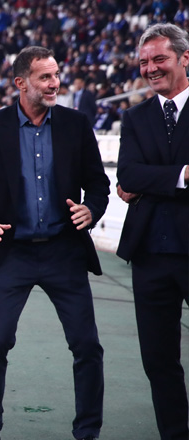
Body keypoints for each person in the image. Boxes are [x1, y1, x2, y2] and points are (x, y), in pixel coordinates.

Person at [0, 46, 110, 440]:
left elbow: (98, 183)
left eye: (56, 75)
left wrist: (91, 209)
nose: (54, 83)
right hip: (12, 252)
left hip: (65, 252)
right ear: (21, 83)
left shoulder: (76, 124)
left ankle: (88, 431)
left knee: (87, 345)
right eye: (45, 77)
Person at [116, 23, 189, 440]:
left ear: (184, 58)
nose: (151, 68)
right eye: (144, 62)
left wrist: (151, 179)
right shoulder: (135, 117)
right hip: (149, 255)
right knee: (158, 360)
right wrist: (182, 175)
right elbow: (128, 175)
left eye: (159, 58)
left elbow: (139, 178)